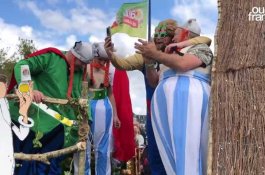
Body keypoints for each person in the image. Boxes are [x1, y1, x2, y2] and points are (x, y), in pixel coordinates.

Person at [104, 19, 212, 175]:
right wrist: (113, 56)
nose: (159, 37)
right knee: (158, 154)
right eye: (156, 34)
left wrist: (158, 54)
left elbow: (183, 63)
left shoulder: (194, 49)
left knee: (186, 150)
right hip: (157, 113)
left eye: (166, 35)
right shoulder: (161, 55)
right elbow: (144, 76)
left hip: (186, 107)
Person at [8, 41, 96, 175]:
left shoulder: (79, 73)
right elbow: (23, 65)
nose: (83, 66)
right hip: (31, 121)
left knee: (50, 160)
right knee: (23, 161)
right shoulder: (51, 57)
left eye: (85, 64)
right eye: (82, 62)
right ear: (74, 55)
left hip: (55, 126)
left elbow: (79, 97)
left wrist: (87, 119)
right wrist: (30, 89)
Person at [73, 42, 121, 175]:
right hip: (86, 106)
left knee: (103, 149)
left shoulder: (109, 71)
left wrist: (116, 115)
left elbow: (111, 93)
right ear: (94, 56)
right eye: (101, 59)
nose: (103, 63)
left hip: (104, 108)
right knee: (83, 144)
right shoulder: (85, 68)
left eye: (106, 60)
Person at [0, 74, 34, 175]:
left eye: (3, 87)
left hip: (7, 161)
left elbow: (22, 135)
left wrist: (24, 114)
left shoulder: (5, 104)